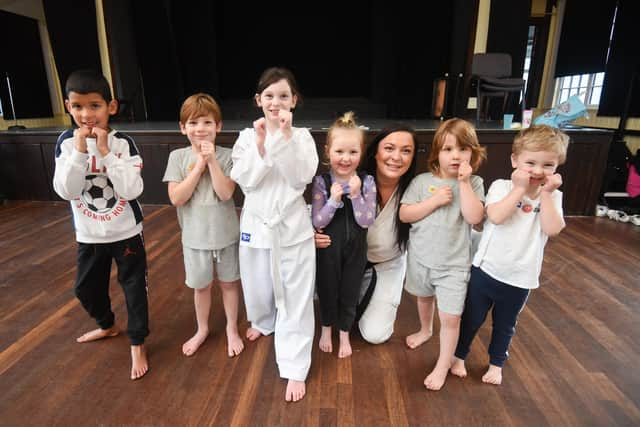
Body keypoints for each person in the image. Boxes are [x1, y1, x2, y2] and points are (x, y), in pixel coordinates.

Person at [451, 125, 569, 385]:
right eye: (530, 163)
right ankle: (459, 355)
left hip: (520, 278)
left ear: (557, 167)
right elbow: (495, 216)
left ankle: (496, 364)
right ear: (515, 160)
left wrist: (546, 194)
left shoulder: (553, 196)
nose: (538, 171)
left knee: (505, 325)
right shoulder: (502, 187)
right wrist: (518, 190)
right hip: (486, 270)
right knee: (471, 318)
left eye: (547, 165)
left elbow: (552, 228)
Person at [53, 69, 149, 380]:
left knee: (134, 291)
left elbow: (132, 189)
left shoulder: (123, 143)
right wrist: (81, 152)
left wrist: (105, 152)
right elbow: (66, 190)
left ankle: (137, 342)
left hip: (126, 233)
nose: (86, 114)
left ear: (111, 107)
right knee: (85, 288)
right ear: (69, 107)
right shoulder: (66, 144)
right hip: (89, 234)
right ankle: (107, 325)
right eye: (78, 106)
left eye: (94, 106)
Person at [230, 67, 318, 402]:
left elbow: (300, 178)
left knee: (295, 297)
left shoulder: (304, 136)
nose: (276, 103)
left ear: (294, 100)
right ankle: (265, 322)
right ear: (258, 100)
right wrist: (263, 146)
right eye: (269, 96)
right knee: (257, 285)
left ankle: (295, 366)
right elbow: (247, 180)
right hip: (256, 225)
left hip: (292, 227)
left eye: (283, 96)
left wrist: (282, 140)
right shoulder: (244, 137)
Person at [399, 118, 486, 391]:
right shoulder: (422, 182)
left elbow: (475, 217)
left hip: (454, 266)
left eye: (463, 149)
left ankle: (442, 364)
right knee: (423, 298)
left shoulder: (475, 183)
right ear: (437, 153)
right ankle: (425, 330)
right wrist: (434, 200)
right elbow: (405, 214)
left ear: (473, 153)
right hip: (421, 260)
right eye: (448, 149)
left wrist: (463, 184)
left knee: (451, 318)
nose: (456, 156)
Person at [315, 124, 418, 345]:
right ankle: (344, 309)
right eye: (389, 148)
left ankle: (360, 303)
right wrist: (311, 234)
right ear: (374, 152)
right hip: (345, 258)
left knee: (374, 334)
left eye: (406, 151)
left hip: (384, 264)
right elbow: (317, 214)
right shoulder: (354, 179)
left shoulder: (413, 190)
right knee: (328, 288)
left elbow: (365, 219)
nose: (396, 157)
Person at [163, 93, 244, 358]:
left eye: (207, 123)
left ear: (218, 126)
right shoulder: (177, 157)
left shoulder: (229, 155)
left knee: (230, 284)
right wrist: (198, 166)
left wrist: (211, 162)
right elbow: (176, 198)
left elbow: (225, 193)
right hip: (195, 239)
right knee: (201, 287)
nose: (200, 129)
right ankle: (202, 329)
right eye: (193, 123)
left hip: (227, 236)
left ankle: (232, 328)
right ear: (183, 127)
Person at [312, 112, 377, 358]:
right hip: (328, 249)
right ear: (328, 151)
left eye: (353, 152)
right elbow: (318, 220)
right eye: (339, 151)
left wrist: (356, 195)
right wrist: (333, 199)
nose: (346, 158)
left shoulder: (367, 181)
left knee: (350, 290)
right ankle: (326, 328)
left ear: (361, 153)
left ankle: (344, 333)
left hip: (356, 250)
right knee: (327, 288)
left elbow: (366, 220)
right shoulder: (322, 181)